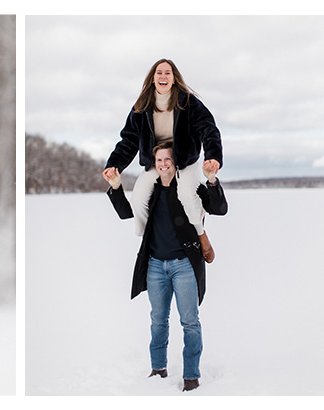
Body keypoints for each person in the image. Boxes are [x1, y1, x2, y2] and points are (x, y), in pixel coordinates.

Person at [104, 140, 227, 392]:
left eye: (167, 159)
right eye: (159, 160)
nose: (163, 164)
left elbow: (220, 208)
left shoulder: (190, 189)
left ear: (176, 161)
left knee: (190, 322)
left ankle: (191, 376)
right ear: (154, 163)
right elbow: (128, 213)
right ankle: (158, 369)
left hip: (184, 266)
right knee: (158, 321)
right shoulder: (151, 192)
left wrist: (212, 181)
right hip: (156, 266)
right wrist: (116, 188)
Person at [103, 58, 223, 262]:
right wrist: (115, 164)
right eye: (159, 73)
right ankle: (149, 240)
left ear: (174, 79)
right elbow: (129, 139)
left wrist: (212, 156)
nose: (163, 76)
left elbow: (208, 128)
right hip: (158, 161)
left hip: (185, 160)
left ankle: (201, 235)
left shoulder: (188, 102)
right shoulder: (141, 106)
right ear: (152, 79)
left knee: (186, 194)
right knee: (139, 199)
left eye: (168, 73)